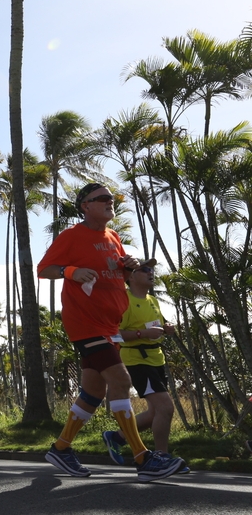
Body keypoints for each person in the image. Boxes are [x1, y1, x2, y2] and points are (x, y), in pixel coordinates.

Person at [37, 182, 183, 482]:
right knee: (121, 379)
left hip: (109, 326)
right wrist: (70, 271)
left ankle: (61, 448)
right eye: (102, 198)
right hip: (85, 322)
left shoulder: (113, 237)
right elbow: (43, 269)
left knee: (94, 390)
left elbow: (118, 274)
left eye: (111, 198)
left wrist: (128, 267)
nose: (109, 202)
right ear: (85, 205)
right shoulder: (72, 236)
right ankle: (143, 458)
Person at [102, 258, 189, 473]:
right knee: (166, 408)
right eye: (144, 269)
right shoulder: (124, 300)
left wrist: (165, 329)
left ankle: (117, 437)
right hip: (137, 360)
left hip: (156, 359)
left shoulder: (152, 300)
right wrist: (143, 334)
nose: (151, 272)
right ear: (131, 276)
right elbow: (114, 334)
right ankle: (162, 456)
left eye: (151, 269)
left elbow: (154, 326)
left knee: (153, 413)